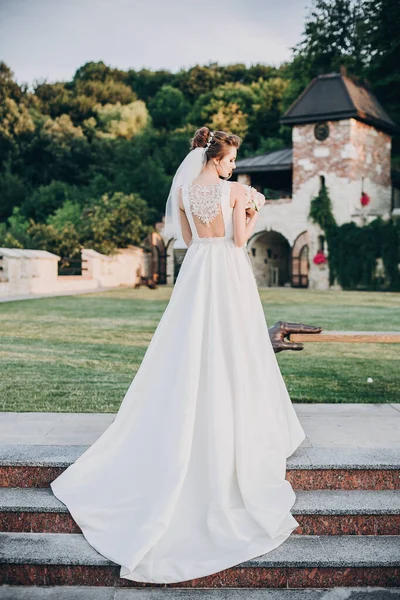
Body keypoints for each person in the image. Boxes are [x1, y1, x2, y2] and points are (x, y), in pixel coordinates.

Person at [50, 127, 307, 584]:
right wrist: (251, 206)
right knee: (234, 344)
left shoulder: (186, 191)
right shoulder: (234, 191)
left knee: (189, 342)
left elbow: (188, 240)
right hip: (227, 272)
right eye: (230, 160)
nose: (233, 167)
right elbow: (237, 243)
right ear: (216, 158)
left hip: (197, 272)